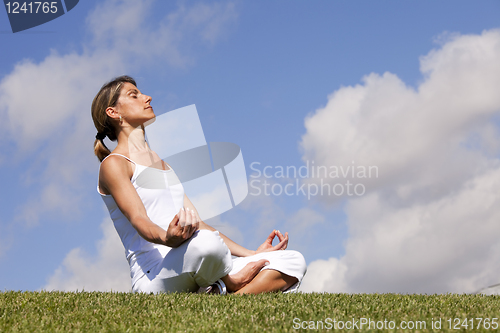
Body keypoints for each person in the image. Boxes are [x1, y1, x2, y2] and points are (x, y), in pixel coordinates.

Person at [91, 75, 306, 294]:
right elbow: (138, 218)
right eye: (134, 95)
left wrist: (253, 254)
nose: (147, 97)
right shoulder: (114, 164)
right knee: (205, 243)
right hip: (155, 274)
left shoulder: (163, 164)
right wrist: (167, 237)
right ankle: (228, 284)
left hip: (194, 259)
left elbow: (199, 223)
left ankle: (225, 298)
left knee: (292, 260)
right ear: (113, 112)